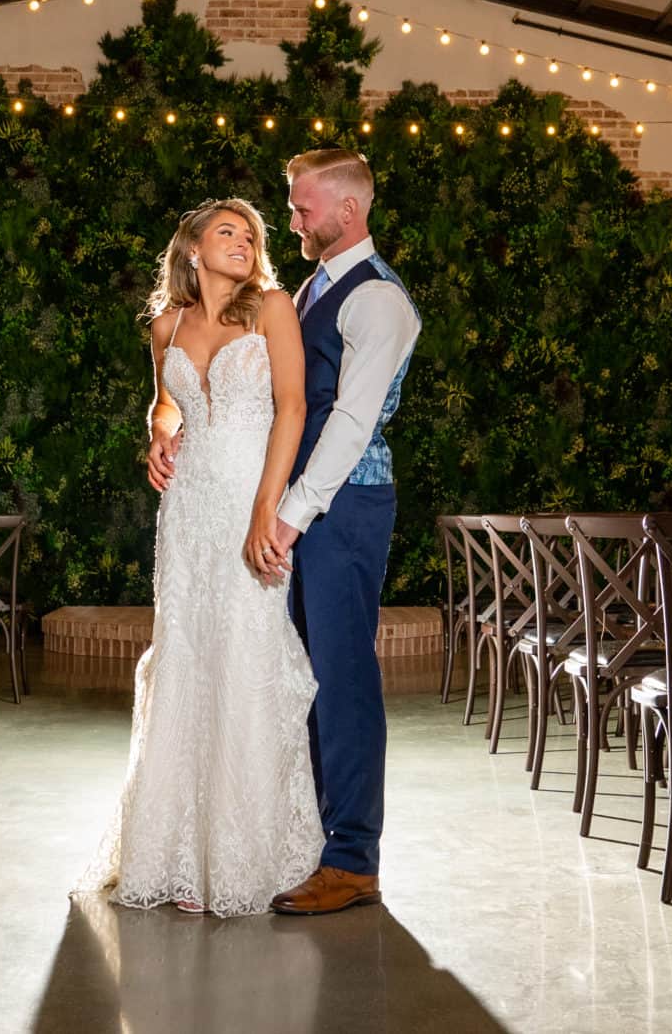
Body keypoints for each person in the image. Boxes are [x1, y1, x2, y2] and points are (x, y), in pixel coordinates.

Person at [83, 199, 326, 917]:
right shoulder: (166, 327)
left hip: (251, 504)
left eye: (251, 233)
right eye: (227, 231)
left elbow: (292, 409)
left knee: (248, 655)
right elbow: (167, 405)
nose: (244, 242)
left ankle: (247, 851)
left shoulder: (273, 308)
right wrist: (156, 439)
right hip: (186, 514)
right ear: (191, 248)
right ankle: (181, 856)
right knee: (188, 658)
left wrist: (267, 511)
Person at [254, 149, 422, 917]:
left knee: (344, 679)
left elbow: (351, 420)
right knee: (310, 677)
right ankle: (322, 839)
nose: (292, 219)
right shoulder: (312, 286)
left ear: (348, 211)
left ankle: (353, 858)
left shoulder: (379, 298)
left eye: (303, 206)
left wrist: (291, 515)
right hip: (313, 507)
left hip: (345, 507)